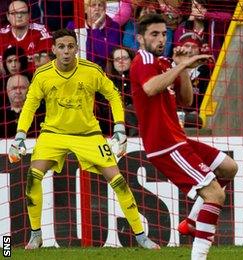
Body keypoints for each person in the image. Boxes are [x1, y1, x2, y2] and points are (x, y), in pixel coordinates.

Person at [7, 29, 159, 250]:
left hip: (88, 135)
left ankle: (141, 236)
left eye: (70, 47)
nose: (66, 52)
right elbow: (30, 105)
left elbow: (113, 95)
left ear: (76, 48)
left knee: (118, 181)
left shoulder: (91, 71)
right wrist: (20, 134)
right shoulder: (42, 74)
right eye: (61, 47)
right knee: (33, 177)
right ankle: (36, 235)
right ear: (53, 49)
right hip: (53, 134)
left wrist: (119, 127)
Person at [130, 13, 238, 259]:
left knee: (229, 168)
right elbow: (149, 88)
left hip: (178, 139)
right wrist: (180, 66)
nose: (160, 39)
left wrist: (183, 71)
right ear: (140, 38)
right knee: (215, 194)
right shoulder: (143, 60)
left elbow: (187, 100)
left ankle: (191, 222)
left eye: (163, 34)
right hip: (164, 144)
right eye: (154, 34)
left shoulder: (165, 63)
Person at [0, 0, 52, 75]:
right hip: (7, 82)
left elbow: (46, 61)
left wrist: (11, 63)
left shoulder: (41, 30)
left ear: (29, 15)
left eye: (23, 12)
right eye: (14, 13)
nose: (19, 16)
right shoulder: (1, 34)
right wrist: (29, 60)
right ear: (8, 16)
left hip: (35, 79)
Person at [67, 0, 122, 69]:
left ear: (104, 9)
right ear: (85, 10)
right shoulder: (73, 26)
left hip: (103, 70)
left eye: (100, 5)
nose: (97, 8)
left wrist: (95, 29)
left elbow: (106, 55)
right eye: (93, 5)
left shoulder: (114, 27)